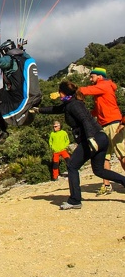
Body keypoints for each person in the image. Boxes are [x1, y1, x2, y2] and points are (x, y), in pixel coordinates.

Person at [33, 81, 125, 210]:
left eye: (60, 91)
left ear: (64, 92)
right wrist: (38, 110)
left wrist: (90, 138)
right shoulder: (70, 104)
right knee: (99, 170)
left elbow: (85, 120)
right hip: (100, 137)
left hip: (93, 138)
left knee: (72, 165)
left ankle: (75, 200)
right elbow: (55, 109)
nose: (58, 94)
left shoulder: (74, 105)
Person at [0, 36, 41, 143]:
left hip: (14, 94)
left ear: (6, 51)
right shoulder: (25, 57)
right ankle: (2, 131)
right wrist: (21, 48)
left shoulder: (10, 59)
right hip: (22, 93)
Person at [78, 67, 124, 196]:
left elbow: (85, 90)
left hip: (114, 123)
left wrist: (71, 91)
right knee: (104, 156)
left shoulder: (104, 85)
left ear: (99, 76)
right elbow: (97, 111)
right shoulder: (100, 89)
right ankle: (107, 185)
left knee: (122, 155)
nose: (90, 78)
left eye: (92, 76)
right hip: (103, 125)